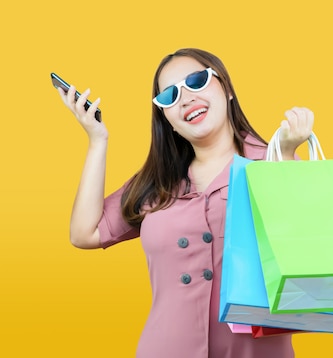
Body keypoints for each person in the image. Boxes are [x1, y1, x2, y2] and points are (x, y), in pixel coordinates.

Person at [56, 48, 314, 357]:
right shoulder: (158, 182)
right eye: (169, 96)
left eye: (197, 80)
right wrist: (98, 140)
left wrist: (285, 156)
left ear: (227, 88)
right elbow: (84, 233)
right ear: (168, 120)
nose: (186, 97)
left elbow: (302, 249)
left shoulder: (274, 161)